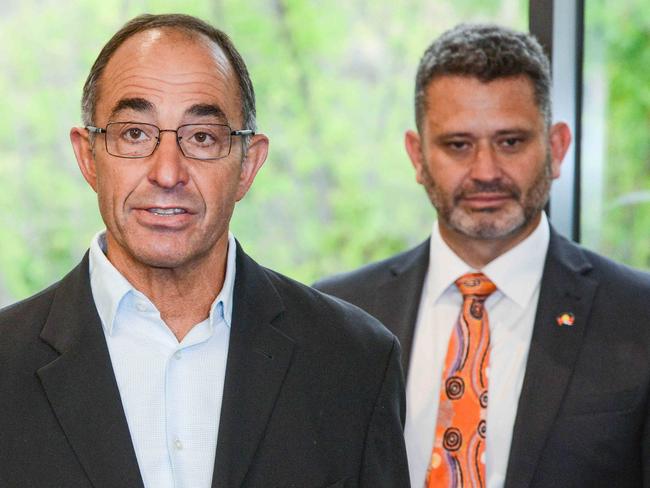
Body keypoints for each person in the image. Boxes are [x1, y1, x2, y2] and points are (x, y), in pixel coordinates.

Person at [0, 14, 409, 488]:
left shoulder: (354, 361)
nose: (168, 173)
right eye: (134, 133)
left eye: (202, 137)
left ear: (248, 165)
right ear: (88, 156)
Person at [315, 23, 650, 488]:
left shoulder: (639, 315)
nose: (486, 171)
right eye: (458, 145)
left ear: (556, 148)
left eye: (510, 142)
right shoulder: (334, 317)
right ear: (417, 155)